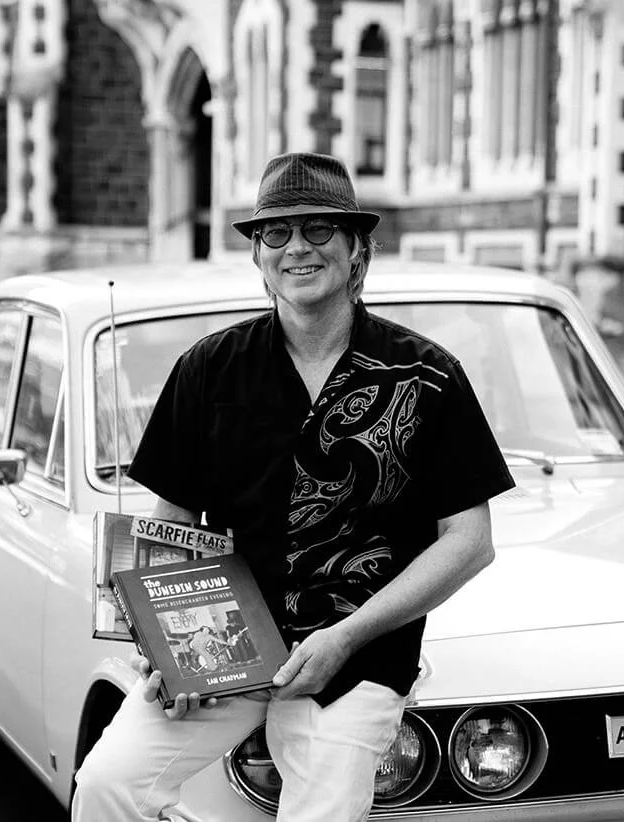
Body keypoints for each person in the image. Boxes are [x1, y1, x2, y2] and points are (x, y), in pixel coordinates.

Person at [72, 152, 514, 822]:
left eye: (318, 230)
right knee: (106, 785)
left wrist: (345, 636)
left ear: (357, 251)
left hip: (355, 660)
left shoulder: (426, 377)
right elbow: (173, 521)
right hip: (222, 652)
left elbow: (469, 542)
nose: (296, 248)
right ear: (257, 256)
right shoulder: (209, 369)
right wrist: (170, 651)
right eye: (276, 233)